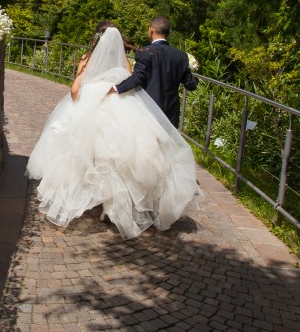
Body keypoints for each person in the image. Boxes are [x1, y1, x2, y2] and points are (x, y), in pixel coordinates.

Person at [26, 21, 198, 237]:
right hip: (124, 111)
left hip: (94, 109)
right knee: (118, 162)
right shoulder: (129, 60)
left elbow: (75, 91)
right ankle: (115, 207)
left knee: (85, 158)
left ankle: (79, 200)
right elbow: (134, 82)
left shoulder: (88, 59)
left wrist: (89, 97)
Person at [112, 15, 197, 127]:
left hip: (149, 110)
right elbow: (191, 85)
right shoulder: (181, 56)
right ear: (168, 33)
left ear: (151, 30)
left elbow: (138, 78)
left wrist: (116, 88)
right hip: (171, 113)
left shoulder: (144, 52)